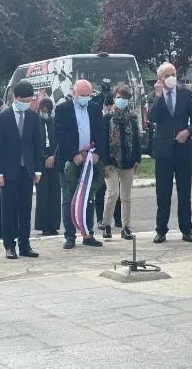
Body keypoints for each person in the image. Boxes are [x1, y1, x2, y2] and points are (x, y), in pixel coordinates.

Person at [148, 62, 192, 244]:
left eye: (173, 74)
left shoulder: (186, 94)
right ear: (160, 78)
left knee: (184, 192)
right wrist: (158, 96)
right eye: (167, 75)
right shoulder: (155, 95)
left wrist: (187, 132)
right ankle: (161, 230)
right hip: (163, 151)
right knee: (163, 193)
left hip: (183, 150)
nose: (171, 77)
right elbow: (152, 118)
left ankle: (187, 230)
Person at [0, 81, 43, 259]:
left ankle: (24, 244)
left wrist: (38, 170)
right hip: (8, 172)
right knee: (8, 209)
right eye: (24, 100)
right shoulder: (2, 117)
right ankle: (9, 245)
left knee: (25, 209)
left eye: (29, 100)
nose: (27, 103)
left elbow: (37, 145)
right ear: (15, 97)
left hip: (26, 170)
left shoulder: (33, 116)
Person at [54, 79, 105, 249]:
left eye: (88, 95)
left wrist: (97, 152)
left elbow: (101, 131)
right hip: (70, 160)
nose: (85, 97)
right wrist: (74, 154)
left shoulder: (95, 108)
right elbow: (59, 133)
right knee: (69, 198)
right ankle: (70, 236)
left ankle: (87, 233)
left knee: (88, 197)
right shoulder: (63, 109)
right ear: (73, 93)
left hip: (90, 159)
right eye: (82, 94)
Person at [101, 86, 142, 240]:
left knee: (126, 196)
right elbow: (103, 142)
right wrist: (105, 163)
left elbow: (136, 140)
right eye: (119, 97)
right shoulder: (106, 119)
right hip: (111, 163)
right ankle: (106, 225)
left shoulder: (132, 118)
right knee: (112, 193)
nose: (121, 101)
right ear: (113, 98)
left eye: (124, 98)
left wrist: (137, 159)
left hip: (129, 162)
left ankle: (126, 227)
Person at [34, 97, 61, 236]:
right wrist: (45, 158)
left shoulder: (55, 122)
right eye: (43, 109)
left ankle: (54, 225)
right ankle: (44, 226)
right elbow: (34, 144)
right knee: (42, 195)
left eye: (48, 109)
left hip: (54, 162)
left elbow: (59, 141)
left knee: (55, 194)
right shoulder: (35, 123)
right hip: (41, 163)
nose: (45, 111)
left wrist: (53, 157)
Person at [96, 94, 121, 231]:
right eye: (108, 107)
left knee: (116, 191)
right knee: (101, 191)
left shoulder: (118, 117)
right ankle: (101, 219)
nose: (109, 109)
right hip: (102, 159)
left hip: (115, 160)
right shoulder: (102, 118)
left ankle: (118, 218)